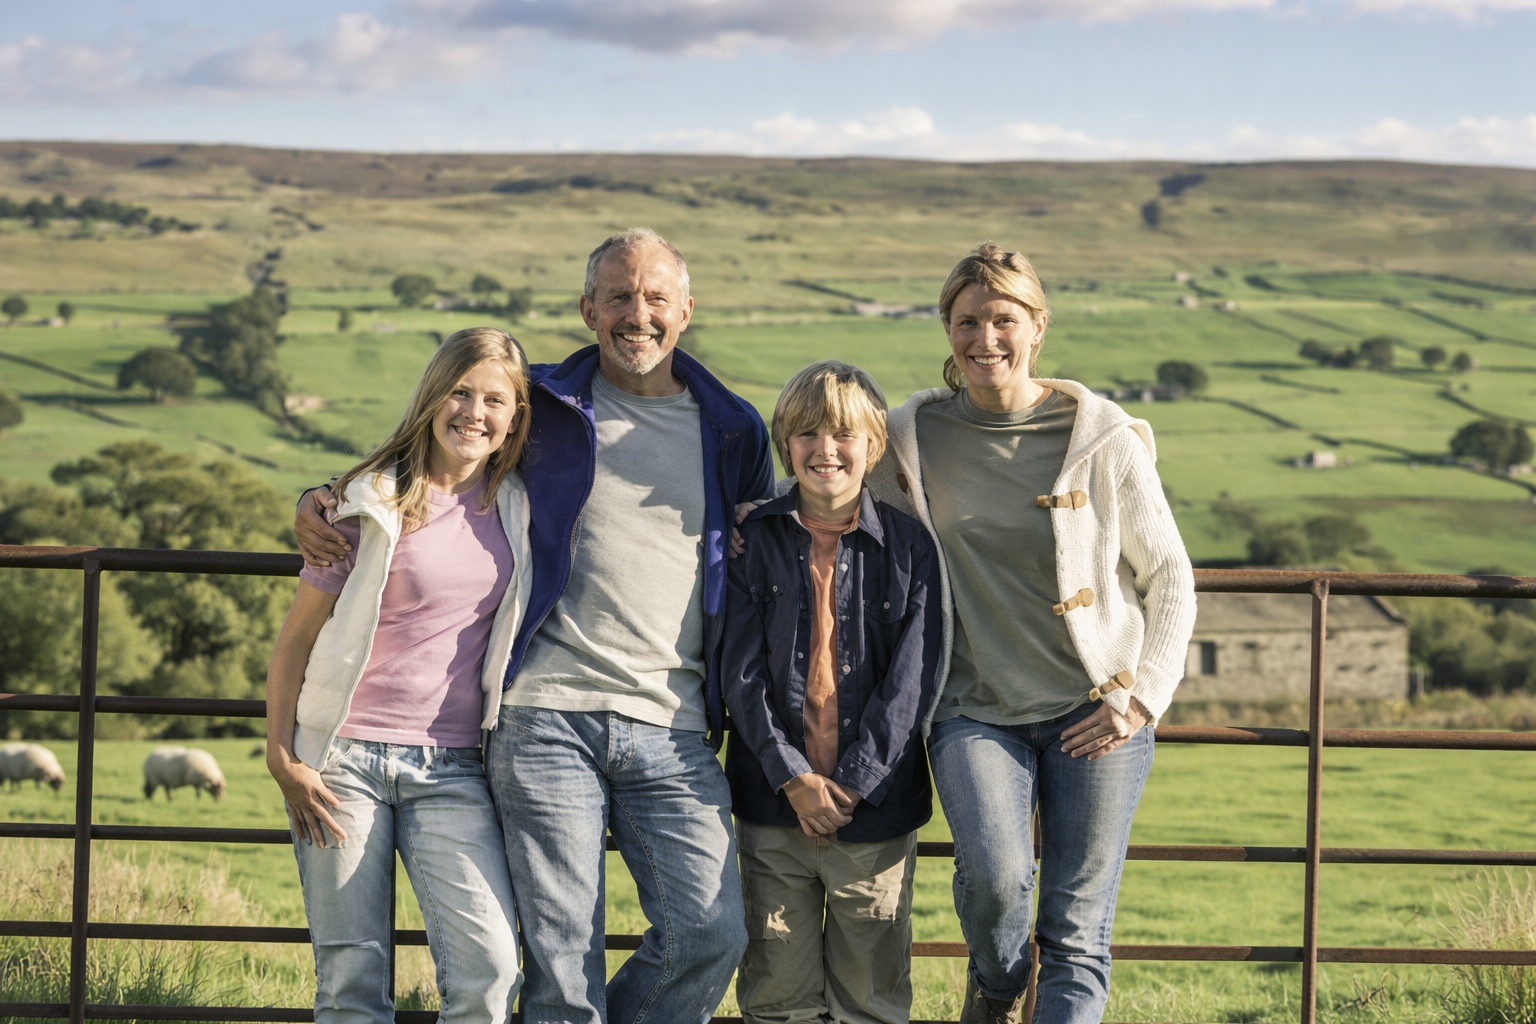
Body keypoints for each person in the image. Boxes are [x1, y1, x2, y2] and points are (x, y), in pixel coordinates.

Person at [295, 228, 773, 1024]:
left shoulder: (735, 429)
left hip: (676, 721)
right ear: (589, 308)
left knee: (709, 934)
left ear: (686, 310)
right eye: (619, 296)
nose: (637, 314)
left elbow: (771, 544)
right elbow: (435, 455)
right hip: (542, 714)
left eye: (656, 297)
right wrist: (325, 495)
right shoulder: (542, 406)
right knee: (561, 968)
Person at [864, 243, 1198, 1024]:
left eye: (1004, 319)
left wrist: (1142, 696)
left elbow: (1171, 577)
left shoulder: (1101, 435)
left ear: (1038, 326)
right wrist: (756, 525)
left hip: (1100, 712)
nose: (986, 338)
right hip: (972, 707)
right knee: (995, 881)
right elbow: (834, 493)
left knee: (1078, 930)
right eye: (967, 320)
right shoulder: (910, 437)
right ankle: (997, 984)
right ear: (946, 328)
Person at [266, 327, 534, 1024]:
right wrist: (281, 757)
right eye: (460, 392)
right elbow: (295, 641)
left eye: (494, 400)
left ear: (514, 418)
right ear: (431, 399)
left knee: (490, 970)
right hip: (341, 764)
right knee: (352, 979)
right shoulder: (365, 502)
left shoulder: (522, 507)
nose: (475, 412)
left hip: (453, 767)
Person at [724, 361, 942, 1024]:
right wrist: (793, 778)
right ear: (784, 444)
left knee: (870, 1000)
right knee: (776, 997)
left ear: (873, 446)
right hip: (773, 808)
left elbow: (913, 681)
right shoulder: (752, 541)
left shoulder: (910, 549)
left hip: (871, 814)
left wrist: (848, 784)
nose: (825, 449)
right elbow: (742, 676)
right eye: (807, 433)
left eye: (844, 434)